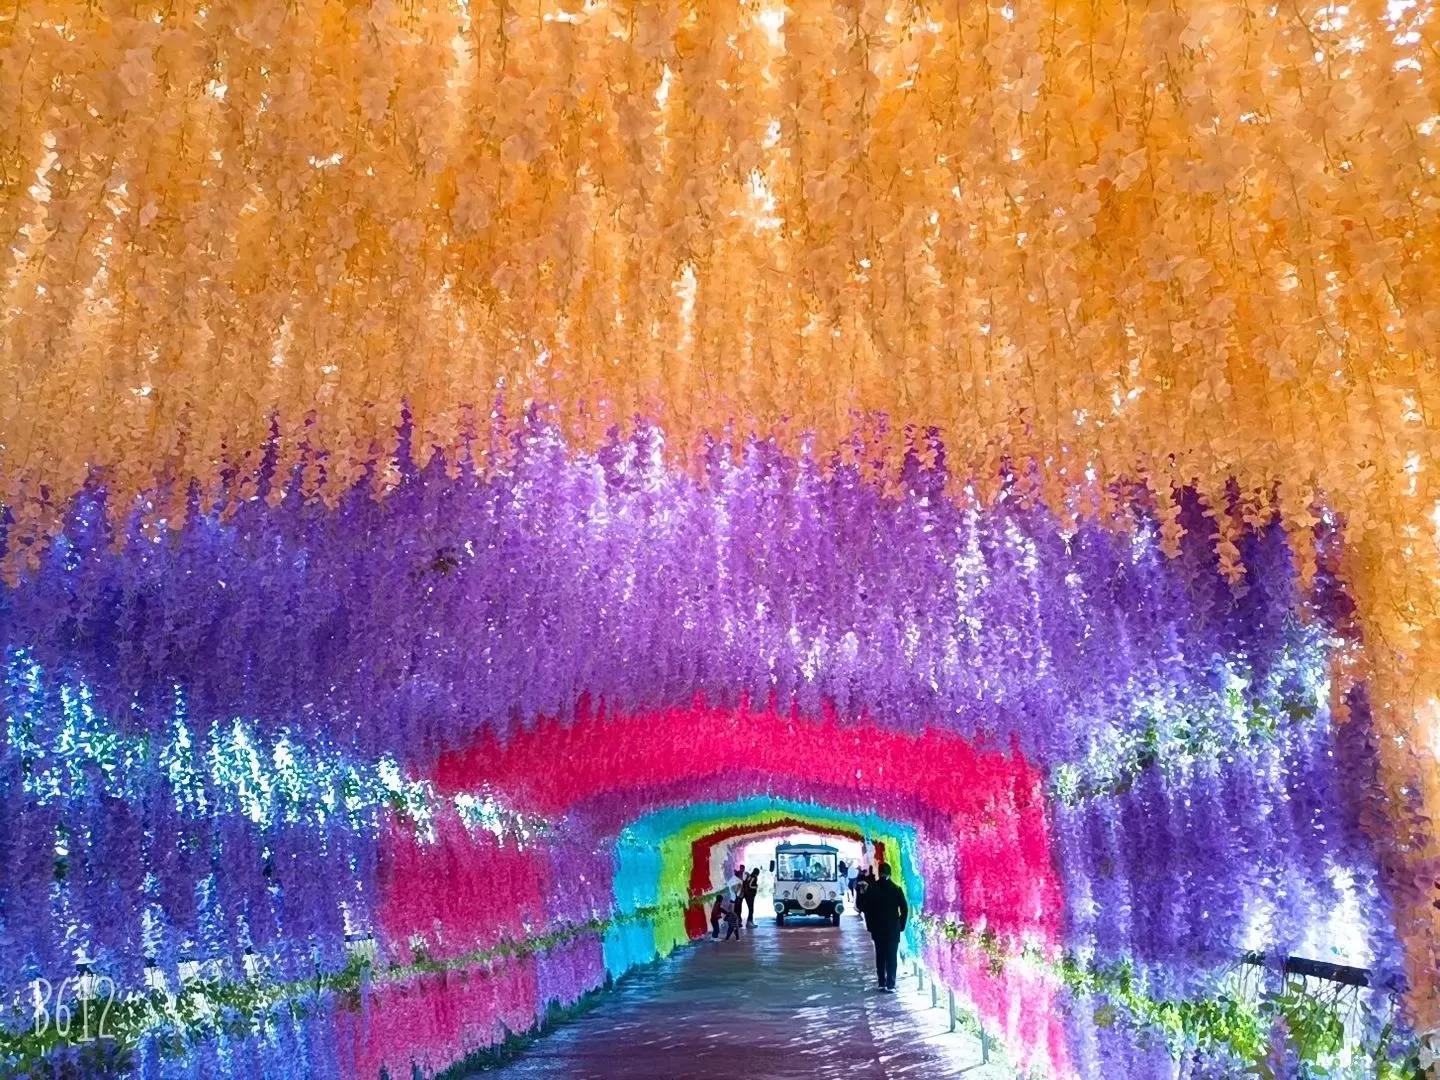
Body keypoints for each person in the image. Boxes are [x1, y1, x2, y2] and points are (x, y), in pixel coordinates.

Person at [856, 862, 907, 991]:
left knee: (880, 956)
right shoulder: (896, 889)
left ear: (879, 873)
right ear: (890, 873)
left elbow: (863, 908)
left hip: (878, 928)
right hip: (892, 929)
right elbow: (904, 909)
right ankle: (891, 984)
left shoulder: (872, 888)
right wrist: (901, 925)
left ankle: (881, 983)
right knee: (891, 956)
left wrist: (861, 893)